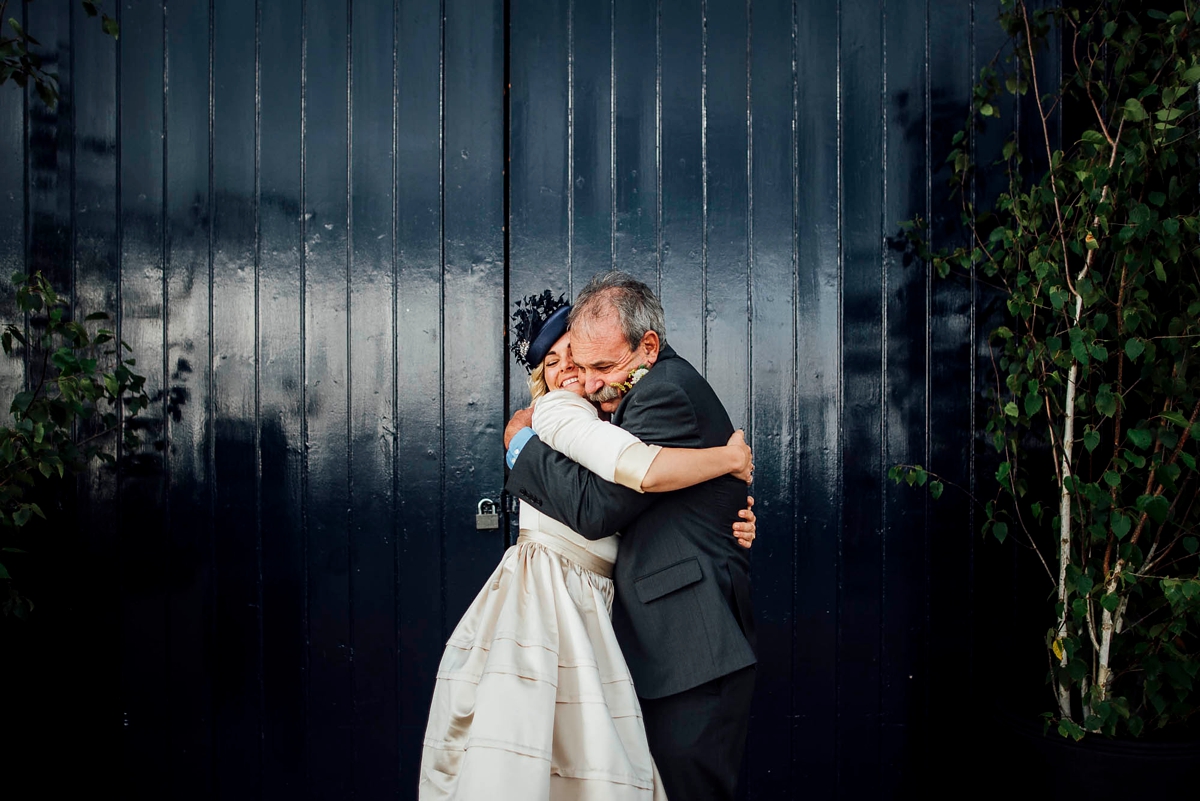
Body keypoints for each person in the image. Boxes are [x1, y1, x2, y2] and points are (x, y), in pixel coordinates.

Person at [419, 290, 756, 800]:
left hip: (685, 646)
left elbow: (602, 505)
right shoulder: (570, 413)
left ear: (646, 346)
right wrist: (727, 469)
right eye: (560, 362)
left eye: (588, 362)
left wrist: (519, 447)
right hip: (591, 626)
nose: (584, 376)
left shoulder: (654, 394)